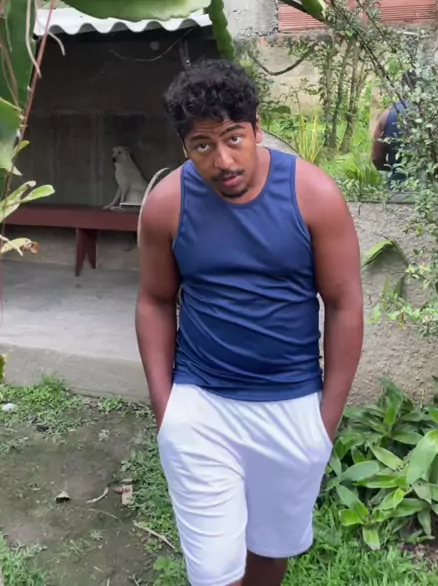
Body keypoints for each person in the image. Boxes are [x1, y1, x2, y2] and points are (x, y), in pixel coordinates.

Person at [136, 59, 364, 586]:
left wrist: (324, 424)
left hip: (292, 406)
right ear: (184, 147)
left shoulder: (314, 196)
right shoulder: (167, 204)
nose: (223, 160)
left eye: (233, 138)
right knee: (214, 573)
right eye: (202, 145)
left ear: (257, 128)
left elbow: (345, 304)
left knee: (269, 552)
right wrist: (167, 410)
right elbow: (154, 300)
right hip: (201, 407)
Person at [371, 72, 416, 188]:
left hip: (397, 188)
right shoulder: (434, 114)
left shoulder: (387, 115)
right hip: (430, 191)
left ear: (402, 87)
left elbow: (376, 157)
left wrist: (389, 175)